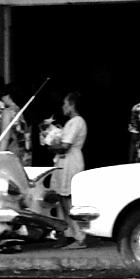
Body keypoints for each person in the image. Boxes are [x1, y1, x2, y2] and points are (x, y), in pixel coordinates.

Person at [49, 91, 88, 249]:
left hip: (70, 161)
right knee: (63, 199)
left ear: (71, 105)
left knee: (68, 199)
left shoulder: (76, 121)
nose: (63, 107)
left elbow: (65, 146)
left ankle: (79, 236)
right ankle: (69, 234)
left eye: (65, 104)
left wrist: (51, 146)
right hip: (65, 162)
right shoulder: (72, 122)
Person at [1, 83, 32, 165]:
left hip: (13, 151)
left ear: (8, 96)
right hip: (27, 152)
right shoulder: (25, 111)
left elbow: (5, 138)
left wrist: (0, 156)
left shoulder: (8, 112)